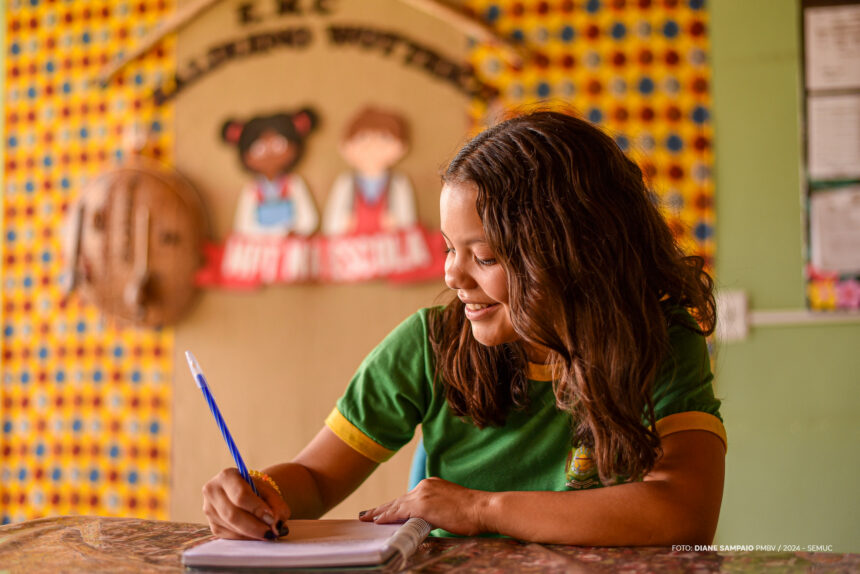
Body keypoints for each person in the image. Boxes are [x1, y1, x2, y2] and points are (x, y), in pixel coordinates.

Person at [202, 110, 726, 546]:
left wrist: (481, 509)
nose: (453, 275)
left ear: (575, 255)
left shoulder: (659, 340)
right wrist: (259, 491)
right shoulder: (429, 345)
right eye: (451, 249)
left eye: (485, 255)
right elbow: (316, 479)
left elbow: (683, 513)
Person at [222, 108, 320, 237]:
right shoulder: (252, 190)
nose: (269, 153)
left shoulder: (294, 184)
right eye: (259, 149)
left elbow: (308, 218)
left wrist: (296, 231)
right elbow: (242, 224)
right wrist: (263, 234)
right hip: (260, 246)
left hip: (290, 242)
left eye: (279, 145)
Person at [321, 106, 418, 235]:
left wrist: (398, 223)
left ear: (400, 148)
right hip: (353, 249)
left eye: (383, 138)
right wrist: (342, 223)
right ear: (346, 147)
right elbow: (330, 224)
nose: (371, 146)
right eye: (363, 138)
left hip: (388, 247)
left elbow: (409, 222)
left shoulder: (399, 182)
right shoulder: (345, 182)